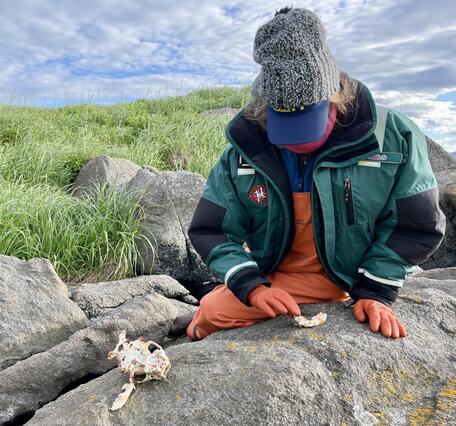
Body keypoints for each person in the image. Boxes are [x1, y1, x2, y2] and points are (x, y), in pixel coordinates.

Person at [168, 6, 446, 341]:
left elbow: (418, 226)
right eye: (283, 125)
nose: (299, 140)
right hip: (277, 274)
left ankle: (202, 312)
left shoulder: (395, 135)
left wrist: (376, 290)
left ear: (335, 96)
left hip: (352, 274)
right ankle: (199, 318)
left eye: (309, 122)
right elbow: (211, 230)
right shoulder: (244, 147)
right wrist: (251, 286)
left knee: (214, 308)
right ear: (265, 107)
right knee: (214, 312)